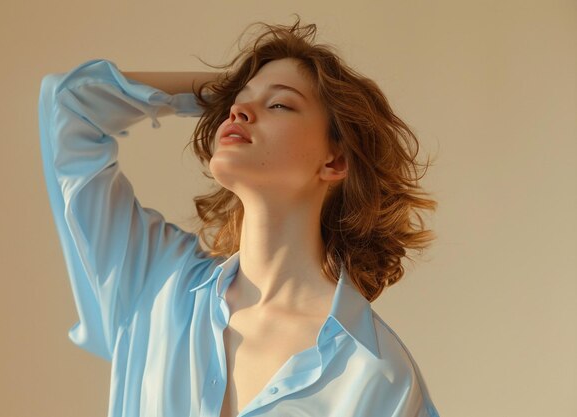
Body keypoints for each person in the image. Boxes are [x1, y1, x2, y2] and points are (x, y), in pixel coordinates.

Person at [38, 16, 440, 417]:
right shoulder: (156, 284)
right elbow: (71, 104)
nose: (240, 110)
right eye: (237, 100)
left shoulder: (374, 375)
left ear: (335, 160)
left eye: (279, 103)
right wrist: (217, 94)